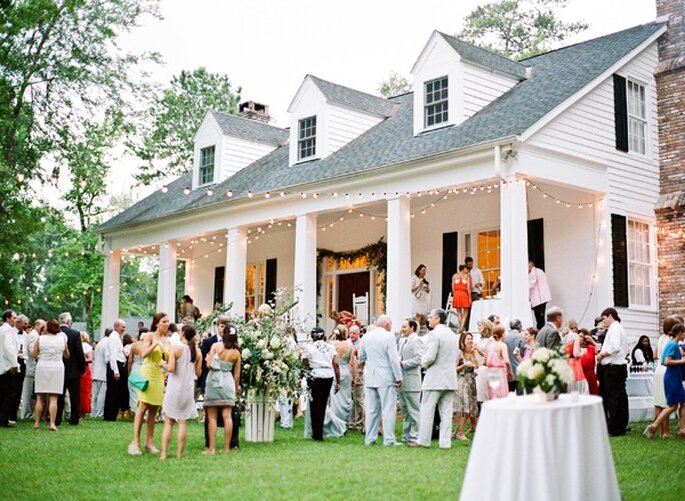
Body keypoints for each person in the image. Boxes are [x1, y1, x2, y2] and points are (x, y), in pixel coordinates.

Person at [412, 308, 459, 449]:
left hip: (435, 377)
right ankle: (445, 442)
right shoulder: (452, 334)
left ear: (438, 319)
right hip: (450, 377)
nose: (428, 319)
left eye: (431, 317)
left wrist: (423, 362)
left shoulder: (434, 335)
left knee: (427, 409)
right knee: (446, 411)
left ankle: (423, 440)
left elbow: (431, 356)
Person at [129, 312, 170, 456]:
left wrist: (167, 369)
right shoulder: (149, 336)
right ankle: (135, 442)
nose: (167, 324)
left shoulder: (168, 340)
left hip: (159, 375)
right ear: (157, 323)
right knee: (143, 407)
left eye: (168, 321)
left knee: (154, 409)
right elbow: (143, 354)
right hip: (148, 372)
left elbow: (167, 359)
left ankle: (149, 442)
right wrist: (155, 344)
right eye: (164, 321)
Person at [358, 315, 402, 446]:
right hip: (386, 377)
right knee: (388, 409)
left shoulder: (366, 336)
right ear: (387, 325)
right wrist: (398, 377)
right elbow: (394, 359)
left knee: (371, 409)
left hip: (370, 376)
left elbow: (361, 355)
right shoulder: (389, 337)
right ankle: (389, 439)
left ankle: (370, 439)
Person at [160, 325, 202, 459]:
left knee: (169, 421)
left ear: (182, 333)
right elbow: (198, 373)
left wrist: (162, 363)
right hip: (188, 389)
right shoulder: (198, 352)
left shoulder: (175, 348)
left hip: (174, 388)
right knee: (182, 422)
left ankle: (164, 453)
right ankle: (179, 454)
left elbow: (171, 368)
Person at [201, 316, 240, 450]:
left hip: (214, 381)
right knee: (227, 415)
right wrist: (235, 389)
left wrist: (207, 358)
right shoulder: (236, 353)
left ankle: (211, 448)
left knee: (212, 416)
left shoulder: (215, 346)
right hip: (228, 383)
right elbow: (236, 375)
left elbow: (209, 365)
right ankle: (225, 448)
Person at [644, 323, 685, 439]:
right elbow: (667, 361)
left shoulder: (670, 343)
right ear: (680, 333)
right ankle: (653, 426)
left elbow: (662, 361)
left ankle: (682, 429)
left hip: (672, 376)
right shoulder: (673, 345)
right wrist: (683, 361)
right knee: (672, 406)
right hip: (673, 377)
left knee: (682, 402)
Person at [302, 326, 340, 441]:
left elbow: (304, 361)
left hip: (315, 374)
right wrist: (338, 380)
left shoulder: (309, 348)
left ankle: (316, 433)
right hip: (328, 375)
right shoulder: (330, 347)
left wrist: (306, 370)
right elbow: (336, 364)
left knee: (315, 405)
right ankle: (320, 430)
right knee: (323, 404)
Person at [596, 307, 629, 436]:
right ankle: (620, 425)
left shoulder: (615, 328)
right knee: (620, 397)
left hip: (613, 367)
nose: (603, 322)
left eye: (604, 318)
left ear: (610, 316)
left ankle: (615, 427)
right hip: (617, 367)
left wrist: (601, 355)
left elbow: (614, 348)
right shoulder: (618, 328)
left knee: (613, 398)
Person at [32, 319, 69, 431]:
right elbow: (67, 355)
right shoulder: (62, 339)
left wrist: (41, 355)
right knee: (54, 398)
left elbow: (34, 354)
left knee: (39, 397)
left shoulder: (41, 338)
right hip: (57, 367)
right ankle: (52, 423)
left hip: (42, 366)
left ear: (47, 327)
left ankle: (37, 422)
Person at [323, 325, 356, 438]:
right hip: (346, 372)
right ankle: (344, 424)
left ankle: (335, 424)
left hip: (334, 372)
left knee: (335, 399)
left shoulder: (332, 345)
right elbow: (352, 363)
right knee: (346, 399)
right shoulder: (350, 345)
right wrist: (354, 377)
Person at [397, 318, 423, 444]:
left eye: (404, 326)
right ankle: (406, 436)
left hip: (412, 380)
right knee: (405, 411)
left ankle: (415, 436)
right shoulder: (402, 341)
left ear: (412, 327)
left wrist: (402, 363)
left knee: (414, 410)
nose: (402, 329)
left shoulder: (416, 340)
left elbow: (419, 359)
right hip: (403, 380)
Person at [57, 312, 85, 426]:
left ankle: (57, 418)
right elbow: (79, 353)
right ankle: (74, 419)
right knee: (74, 397)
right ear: (68, 322)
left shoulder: (55, 334)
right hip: (73, 370)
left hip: (59, 369)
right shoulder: (75, 334)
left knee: (59, 396)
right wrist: (82, 368)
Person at [453, 331, 479, 440]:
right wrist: (463, 365)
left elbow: (477, 366)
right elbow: (454, 369)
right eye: (468, 339)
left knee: (470, 407)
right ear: (463, 341)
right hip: (462, 381)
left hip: (471, 381)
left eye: (471, 338)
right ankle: (460, 432)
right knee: (463, 407)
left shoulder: (473, 353)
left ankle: (457, 431)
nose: (470, 341)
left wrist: (474, 354)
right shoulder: (459, 353)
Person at [104, 319, 129, 421]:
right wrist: (116, 371)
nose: (124, 329)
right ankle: (110, 415)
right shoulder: (114, 338)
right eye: (123, 327)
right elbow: (113, 356)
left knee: (116, 391)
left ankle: (113, 414)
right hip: (115, 366)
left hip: (118, 365)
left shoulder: (117, 337)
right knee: (113, 392)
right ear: (117, 326)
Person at [20, 319, 44, 419]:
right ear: (37, 325)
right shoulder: (34, 335)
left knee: (30, 392)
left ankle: (28, 413)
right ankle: (26, 414)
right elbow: (32, 351)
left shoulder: (35, 335)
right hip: (30, 367)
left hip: (32, 368)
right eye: (43, 326)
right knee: (27, 392)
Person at [0, 310, 20, 427]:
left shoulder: (1, 329)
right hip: (7, 365)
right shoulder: (7, 330)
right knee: (10, 393)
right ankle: (4, 417)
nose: (15, 320)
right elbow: (9, 348)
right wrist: (14, 364)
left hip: (2, 364)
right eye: (14, 317)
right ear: (7, 318)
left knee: (3, 393)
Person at [485, 325, 512, 400]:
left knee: (493, 395)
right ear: (502, 334)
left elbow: (485, 361)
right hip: (499, 371)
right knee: (501, 394)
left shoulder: (489, 346)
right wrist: (510, 371)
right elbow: (506, 360)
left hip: (490, 371)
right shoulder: (502, 345)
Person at [562, 319, 588, 394]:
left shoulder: (563, 336)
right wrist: (583, 352)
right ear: (575, 328)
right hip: (574, 364)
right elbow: (576, 354)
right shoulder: (575, 336)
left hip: (566, 363)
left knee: (568, 388)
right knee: (578, 389)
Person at [347, 325, 364, 432]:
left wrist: (356, 362)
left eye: (354, 333)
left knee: (358, 399)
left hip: (358, 372)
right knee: (350, 399)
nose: (352, 335)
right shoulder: (348, 343)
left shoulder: (362, 343)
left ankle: (359, 423)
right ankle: (350, 422)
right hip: (348, 373)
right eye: (351, 333)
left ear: (358, 333)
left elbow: (363, 358)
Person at [91, 329, 110, 419]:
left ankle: (93, 412)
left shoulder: (100, 343)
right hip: (103, 372)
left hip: (96, 372)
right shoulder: (107, 343)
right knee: (102, 394)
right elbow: (107, 358)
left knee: (95, 394)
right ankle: (99, 412)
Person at [528, 260, 552, 329]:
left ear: (530, 266)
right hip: (542, 298)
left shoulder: (533, 272)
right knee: (541, 318)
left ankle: (540, 332)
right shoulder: (540, 271)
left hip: (539, 299)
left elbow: (531, 284)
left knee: (539, 319)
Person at [127, 332, 145, 416]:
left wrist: (129, 371)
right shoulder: (149, 346)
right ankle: (144, 413)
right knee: (144, 391)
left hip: (135, 367)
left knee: (134, 391)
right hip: (145, 368)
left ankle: (135, 411)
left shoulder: (134, 345)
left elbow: (130, 361)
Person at [504, 319, 524, 392]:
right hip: (520, 371)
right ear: (520, 327)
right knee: (520, 397)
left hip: (508, 372)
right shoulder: (523, 337)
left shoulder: (504, 338)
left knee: (509, 395)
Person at [579, 328, 599, 396]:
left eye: (581, 336)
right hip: (580, 375)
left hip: (590, 376)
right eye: (578, 336)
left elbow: (599, 352)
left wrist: (592, 341)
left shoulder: (591, 348)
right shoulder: (574, 349)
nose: (579, 338)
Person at [451, 265, 472, 332]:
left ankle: (461, 328)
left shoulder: (454, 276)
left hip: (457, 294)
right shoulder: (467, 276)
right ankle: (462, 328)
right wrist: (470, 297)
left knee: (459, 313)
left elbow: (453, 287)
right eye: (467, 269)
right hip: (464, 294)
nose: (468, 271)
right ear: (463, 269)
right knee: (465, 313)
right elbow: (468, 288)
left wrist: (455, 295)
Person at [79, 331, 93, 420]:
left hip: (84, 370)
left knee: (84, 391)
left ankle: (83, 413)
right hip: (77, 370)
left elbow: (90, 359)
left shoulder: (86, 346)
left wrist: (81, 360)